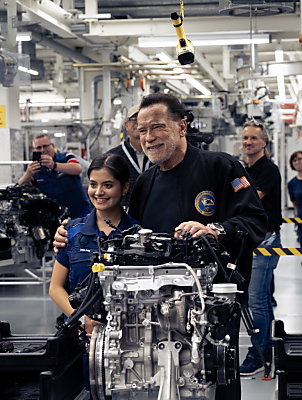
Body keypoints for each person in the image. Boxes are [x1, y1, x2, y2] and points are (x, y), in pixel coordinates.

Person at [54, 92, 267, 400]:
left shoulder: (221, 167)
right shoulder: (145, 182)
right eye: (141, 131)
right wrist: (69, 231)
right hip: (155, 311)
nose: (148, 137)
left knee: (215, 382)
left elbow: (254, 220)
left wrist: (216, 230)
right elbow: (116, 221)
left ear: (181, 126)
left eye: (157, 127)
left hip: (211, 308)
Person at [49, 153, 138, 337]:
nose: (98, 192)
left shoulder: (137, 236)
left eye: (108, 185)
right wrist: (82, 320)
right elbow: (55, 288)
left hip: (127, 336)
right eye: (93, 184)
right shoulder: (71, 231)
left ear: (124, 188)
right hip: (78, 336)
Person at [240, 120, 282, 376]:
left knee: (256, 301)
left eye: (254, 139)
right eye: (245, 138)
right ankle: (265, 348)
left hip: (264, 243)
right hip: (252, 242)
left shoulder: (268, 170)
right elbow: (238, 192)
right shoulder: (246, 169)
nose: (248, 143)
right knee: (262, 300)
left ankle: (258, 353)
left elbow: (249, 198)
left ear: (264, 142)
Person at [18, 134, 90, 219]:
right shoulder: (35, 169)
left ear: (52, 146)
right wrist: (28, 174)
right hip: (55, 218)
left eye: (45, 146)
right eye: (38, 148)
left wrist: (54, 165)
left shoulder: (65, 157)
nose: (42, 150)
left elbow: (77, 168)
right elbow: (20, 186)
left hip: (80, 213)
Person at [107, 105, 151, 209]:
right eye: (134, 119)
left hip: (154, 215)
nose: (138, 123)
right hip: (123, 218)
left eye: (143, 119)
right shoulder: (112, 157)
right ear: (126, 125)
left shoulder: (160, 155)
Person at [288, 150, 302, 246]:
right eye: (294, 160)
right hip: (301, 220)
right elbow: (294, 203)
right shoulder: (292, 183)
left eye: (300, 159)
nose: (297, 162)